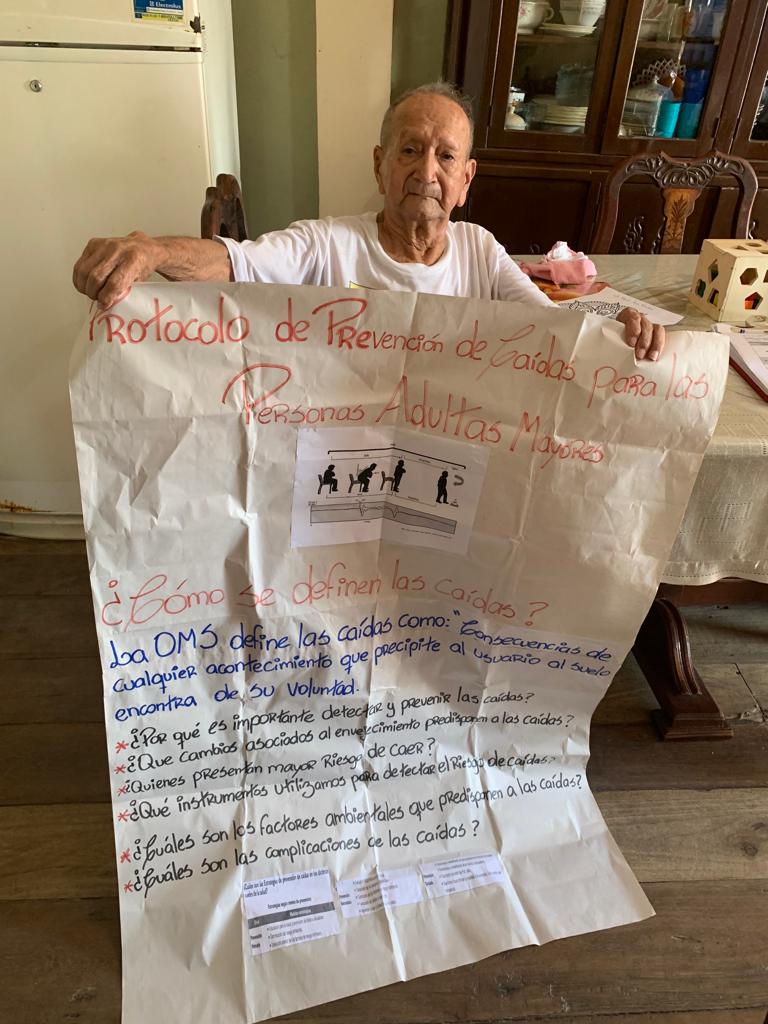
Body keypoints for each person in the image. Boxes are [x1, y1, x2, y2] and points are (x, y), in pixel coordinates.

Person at [72, 82, 665, 361]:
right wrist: (152, 250)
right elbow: (236, 262)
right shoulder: (326, 244)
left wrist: (619, 331)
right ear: (380, 165)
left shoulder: (481, 251)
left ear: (465, 180)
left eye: (446, 156)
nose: (426, 171)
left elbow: (551, 326)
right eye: (409, 150)